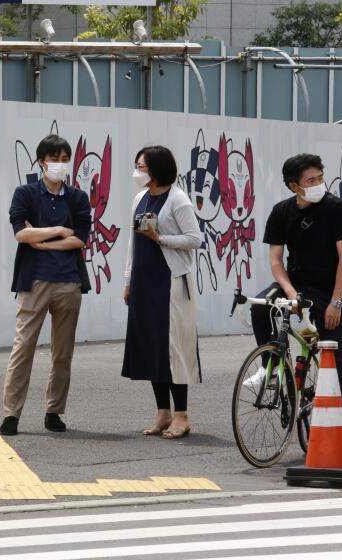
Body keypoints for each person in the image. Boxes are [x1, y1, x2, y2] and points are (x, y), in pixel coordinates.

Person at [250, 153, 342, 456]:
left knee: (338, 363)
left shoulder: (334, 208)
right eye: (312, 180)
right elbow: (275, 261)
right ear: (294, 186)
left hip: (328, 289)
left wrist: (336, 301)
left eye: (321, 177)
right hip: (295, 283)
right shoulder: (281, 212)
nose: (319, 184)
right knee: (261, 305)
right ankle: (269, 366)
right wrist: (291, 293)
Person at [0, 134, 92, 436]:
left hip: (69, 282)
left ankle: (54, 410)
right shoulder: (25, 193)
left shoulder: (78, 197)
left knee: (62, 352)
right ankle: (11, 414)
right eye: (55, 159)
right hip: (34, 281)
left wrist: (43, 241)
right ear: (41, 161)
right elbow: (21, 235)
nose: (60, 164)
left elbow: (80, 239)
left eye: (65, 159)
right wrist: (58, 231)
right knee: (23, 347)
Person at [122, 146, 202, 440]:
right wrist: (128, 281)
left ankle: (181, 414)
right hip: (144, 279)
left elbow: (194, 239)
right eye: (137, 165)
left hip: (170, 280)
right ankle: (162, 413)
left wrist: (160, 238)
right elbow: (132, 242)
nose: (138, 172)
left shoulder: (177, 199)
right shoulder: (140, 198)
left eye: (142, 167)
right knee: (152, 347)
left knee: (174, 348)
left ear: (157, 168)